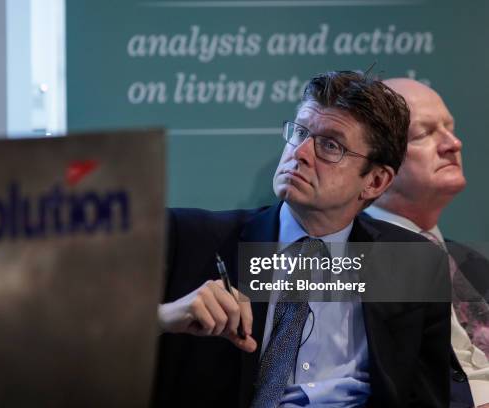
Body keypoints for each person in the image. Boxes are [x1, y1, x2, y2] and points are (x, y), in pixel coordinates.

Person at [154, 71, 451, 407]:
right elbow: (92, 341)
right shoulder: (191, 240)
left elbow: (426, 397)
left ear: (376, 181)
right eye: (300, 132)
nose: (301, 153)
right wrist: (162, 317)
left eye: (330, 145)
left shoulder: (412, 263)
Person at [366, 78, 489, 408]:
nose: (453, 143)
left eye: (450, 128)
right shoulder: (347, 262)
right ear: (375, 169)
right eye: (423, 134)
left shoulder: (477, 264)